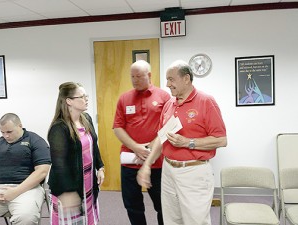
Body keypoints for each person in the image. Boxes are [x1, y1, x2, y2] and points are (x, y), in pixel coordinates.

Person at [137, 60, 227, 225]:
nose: (167, 84)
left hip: (194, 171)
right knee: (171, 220)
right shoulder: (169, 104)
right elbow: (161, 137)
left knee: (195, 221)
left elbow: (221, 140)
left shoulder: (206, 101)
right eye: (167, 79)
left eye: (171, 79)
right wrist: (147, 165)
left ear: (186, 78)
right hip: (169, 170)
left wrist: (188, 142)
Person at [113, 60, 171, 225]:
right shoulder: (124, 98)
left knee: (162, 205)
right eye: (132, 76)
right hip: (130, 162)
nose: (135, 80)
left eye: (138, 76)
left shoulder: (163, 96)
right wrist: (136, 147)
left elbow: (168, 126)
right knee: (132, 205)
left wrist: (151, 145)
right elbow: (118, 127)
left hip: (156, 162)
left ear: (149, 75)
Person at [47, 82, 105, 225]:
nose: (86, 99)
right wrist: (67, 193)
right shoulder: (59, 128)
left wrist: (100, 167)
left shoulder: (86, 119)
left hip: (87, 181)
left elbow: (94, 146)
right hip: (69, 187)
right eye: (82, 96)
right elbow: (59, 164)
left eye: (86, 96)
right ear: (69, 101)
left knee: (88, 218)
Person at [0, 113, 51, 225]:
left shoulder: (35, 141)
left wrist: (15, 192)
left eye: (9, 132)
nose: (6, 136)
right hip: (0, 188)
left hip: (27, 189)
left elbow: (42, 171)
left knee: (26, 218)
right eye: (2, 132)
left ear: (20, 126)